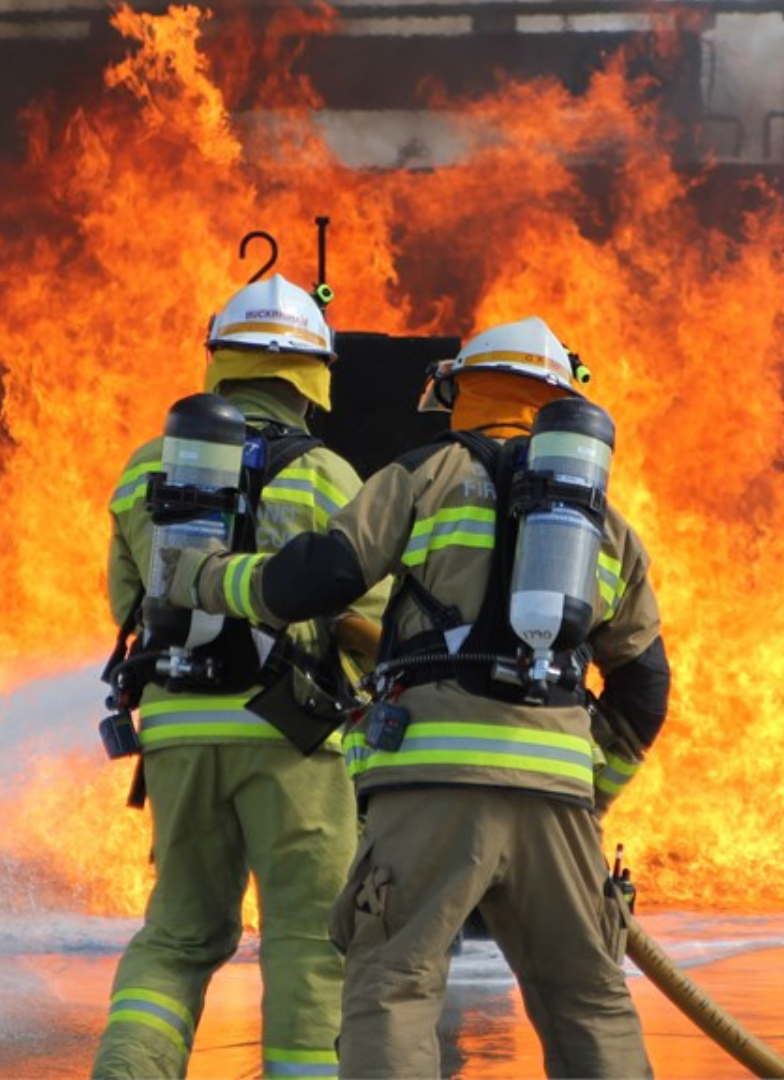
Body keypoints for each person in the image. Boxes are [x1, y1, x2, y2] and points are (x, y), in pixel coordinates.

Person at [165, 315, 671, 1077]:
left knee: (394, 985)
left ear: (459, 390)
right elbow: (644, 686)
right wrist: (592, 791)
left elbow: (320, 578)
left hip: (431, 787)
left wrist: (209, 577)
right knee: (589, 999)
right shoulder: (606, 528)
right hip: (557, 804)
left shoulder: (424, 474)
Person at [92, 273, 386, 1080]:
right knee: (306, 938)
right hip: (288, 734)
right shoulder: (328, 474)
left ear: (218, 360)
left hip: (178, 729)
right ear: (314, 376)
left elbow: (130, 601)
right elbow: (373, 616)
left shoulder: (146, 468)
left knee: (179, 937)